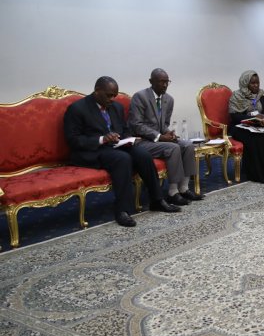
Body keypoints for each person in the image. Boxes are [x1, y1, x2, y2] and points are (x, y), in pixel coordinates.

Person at [63, 76, 181, 227]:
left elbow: (124, 130)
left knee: (143, 154)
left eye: (114, 95)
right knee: (122, 159)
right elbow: (73, 140)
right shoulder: (78, 109)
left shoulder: (116, 107)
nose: (112, 99)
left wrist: (130, 139)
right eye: (109, 95)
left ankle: (157, 200)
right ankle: (122, 210)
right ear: (97, 91)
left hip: (116, 146)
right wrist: (102, 139)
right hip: (92, 151)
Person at [128, 68, 204, 206]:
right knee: (173, 148)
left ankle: (184, 188)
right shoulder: (140, 97)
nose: (164, 85)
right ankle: (173, 192)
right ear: (151, 81)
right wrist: (160, 136)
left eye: (167, 82)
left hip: (159, 140)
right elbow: (136, 125)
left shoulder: (169, 99)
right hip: (142, 141)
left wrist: (169, 134)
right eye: (161, 82)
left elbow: (164, 124)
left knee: (187, 145)